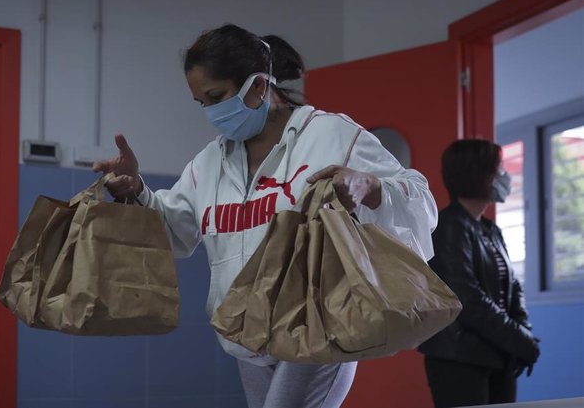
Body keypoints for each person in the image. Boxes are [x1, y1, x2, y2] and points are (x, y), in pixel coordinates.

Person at [93, 24, 438, 408]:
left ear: (258, 86)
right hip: (247, 333)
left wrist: (368, 186)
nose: (211, 112)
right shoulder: (208, 163)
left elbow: (421, 199)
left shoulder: (329, 135)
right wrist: (137, 190)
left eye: (216, 96)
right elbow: (176, 233)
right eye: (201, 103)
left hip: (321, 323)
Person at [418, 139, 540, 408]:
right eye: (498, 169)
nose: (504, 176)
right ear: (477, 174)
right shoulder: (448, 227)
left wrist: (523, 334)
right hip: (459, 360)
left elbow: (513, 289)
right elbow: (466, 298)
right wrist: (520, 340)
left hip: (499, 357)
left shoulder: (490, 230)